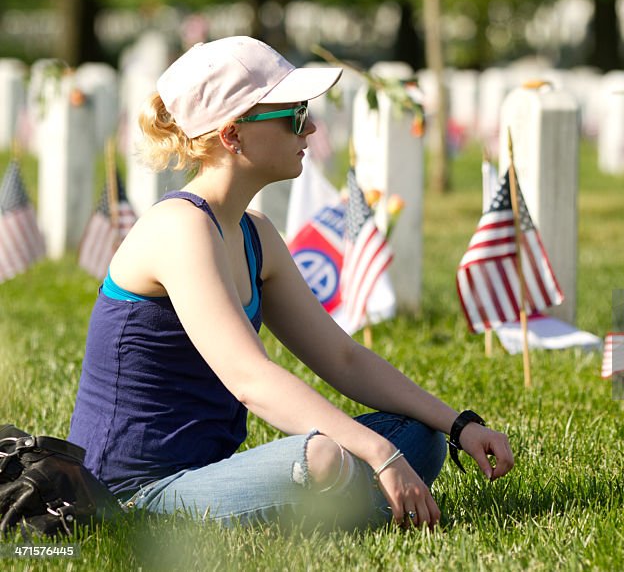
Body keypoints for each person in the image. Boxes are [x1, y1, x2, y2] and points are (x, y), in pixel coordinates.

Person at [67, 36, 513, 530]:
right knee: (322, 459)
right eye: (295, 116)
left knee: (420, 434)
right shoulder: (179, 227)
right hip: (131, 497)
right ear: (233, 135)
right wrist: (379, 456)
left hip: (209, 474)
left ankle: (335, 503)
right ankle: (346, 501)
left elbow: (343, 358)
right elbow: (251, 381)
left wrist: (458, 425)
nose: (313, 127)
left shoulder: (255, 234)